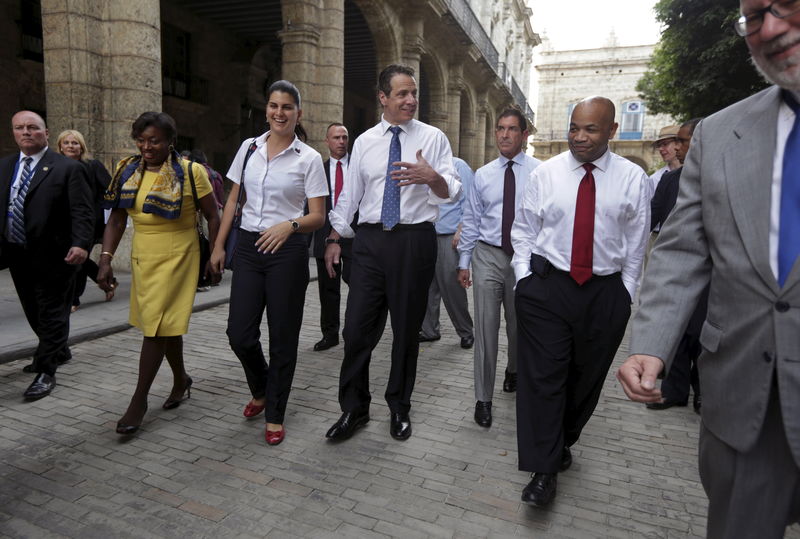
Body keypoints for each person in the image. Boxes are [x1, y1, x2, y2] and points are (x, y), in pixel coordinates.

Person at [617, 2, 800, 535]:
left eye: (784, 4)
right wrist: (650, 343)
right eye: (753, 16)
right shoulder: (721, 135)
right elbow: (680, 249)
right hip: (746, 403)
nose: (769, 27)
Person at [512, 96, 649, 506]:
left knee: (584, 380)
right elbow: (524, 231)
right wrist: (523, 280)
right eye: (574, 127)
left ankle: (563, 439)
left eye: (590, 129)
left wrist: (624, 294)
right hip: (548, 289)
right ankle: (543, 470)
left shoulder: (631, 178)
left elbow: (636, 243)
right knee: (544, 379)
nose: (579, 137)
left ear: (611, 131)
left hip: (604, 293)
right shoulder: (546, 174)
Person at [324, 64, 461, 442]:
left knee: (405, 332)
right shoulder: (365, 142)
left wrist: (432, 177)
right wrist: (335, 238)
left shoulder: (433, 138)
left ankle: (399, 407)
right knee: (355, 330)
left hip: (414, 242)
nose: (411, 100)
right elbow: (350, 196)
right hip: (368, 243)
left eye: (413, 93)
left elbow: (452, 188)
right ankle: (354, 409)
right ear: (383, 98)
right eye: (402, 93)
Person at [210, 80, 327, 446]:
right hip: (247, 246)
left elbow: (318, 216)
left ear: (298, 113)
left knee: (283, 337)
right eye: (274, 106)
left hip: (287, 252)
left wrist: (290, 225)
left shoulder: (308, 158)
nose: (280, 113)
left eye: (287, 107)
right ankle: (261, 386)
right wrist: (218, 246)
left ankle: (275, 411)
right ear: (267, 110)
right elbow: (232, 201)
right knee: (239, 333)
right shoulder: (248, 148)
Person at [98, 111, 221, 435]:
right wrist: (106, 259)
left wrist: (217, 255)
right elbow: (116, 219)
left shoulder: (192, 172)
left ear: (170, 142)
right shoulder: (127, 170)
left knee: (154, 328)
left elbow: (213, 214)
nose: (146, 146)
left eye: (154, 140)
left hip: (180, 255)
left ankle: (138, 401)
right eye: (141, 140)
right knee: (165, 326)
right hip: (144, 256)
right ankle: (181, 380)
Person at [0, 111, 93, 399]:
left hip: (56, 254)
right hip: (17, 251)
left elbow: (82, 210)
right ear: (13, 132)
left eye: (32, 127)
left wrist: (81, 244)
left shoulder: (66, 168)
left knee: (52, 311)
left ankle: (46, 370)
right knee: (32, 308)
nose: (26, 132)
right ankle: (58, 350)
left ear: (46, 133)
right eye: (19, 128)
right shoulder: (4, 166)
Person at [457, 109, 541, 429]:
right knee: (486, 329)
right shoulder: (483, 175)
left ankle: (514, 370)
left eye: (512, 129)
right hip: (488, 256)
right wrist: (464, 262)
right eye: (500, 129)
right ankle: (483, 399)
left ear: (524, 135)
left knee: (520, 327)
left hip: (524, 260)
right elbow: (473, 221)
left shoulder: (540, 173)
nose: (504, 135)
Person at [644, 118, 705, 413]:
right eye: (676, 141)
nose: (677, 147)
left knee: (702, 330)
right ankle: (674, 390)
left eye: (682, 141)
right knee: (676, 325)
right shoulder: (670, 181)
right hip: (674, 264)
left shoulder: (718, 177)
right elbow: (652, 215)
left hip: (711, 268)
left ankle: (702, 389)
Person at [418, 156, 475, 348]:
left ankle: (466, 331)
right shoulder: (422, 167)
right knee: (426, 286)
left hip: (448, 236)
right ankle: (429, 330)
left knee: (451, 287)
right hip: (425, 233)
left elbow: (470, 201)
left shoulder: (459, 165)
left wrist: (462, 229)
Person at [55, 129, 114, 312]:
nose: (71, 146)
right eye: (67, 143)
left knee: (78, 259)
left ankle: (74, 299)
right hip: (63, 223)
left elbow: (110, 190)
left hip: (87, 222)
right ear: (60, 147)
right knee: (77, 258)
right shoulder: (55, 166)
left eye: (75, 143)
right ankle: (107, 282)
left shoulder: (92, 165)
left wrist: (98, 210)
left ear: (82, 146)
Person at [311, 123, 350, 352]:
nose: (341, 141)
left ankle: (355, 330)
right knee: (328, 289)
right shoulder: (319, 170)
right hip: (325, 236)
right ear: (327, 141)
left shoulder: (357, 168)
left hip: (354, 236)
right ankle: (330, 334)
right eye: (336, 137)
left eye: (345, 137)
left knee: (358, 285)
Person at [649, 125, 681, 194]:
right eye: (659, 145)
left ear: (679, 143)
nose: (660, 149)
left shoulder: (695, 172)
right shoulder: (656, 178)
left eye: (665, 144)